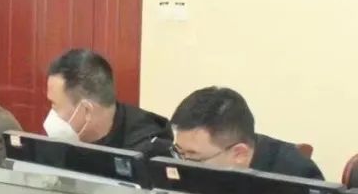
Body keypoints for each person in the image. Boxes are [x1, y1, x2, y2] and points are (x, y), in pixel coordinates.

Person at [170, 86, 323, 179]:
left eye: (194, 158)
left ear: (239, 154)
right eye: (179, 152)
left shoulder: (297, 176)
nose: (182, 167)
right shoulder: (179, 164)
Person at [44, 49, 172, 156]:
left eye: (55, 105)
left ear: (86, 111)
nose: (52, 114)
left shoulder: (144, 152)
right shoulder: (68, 140)